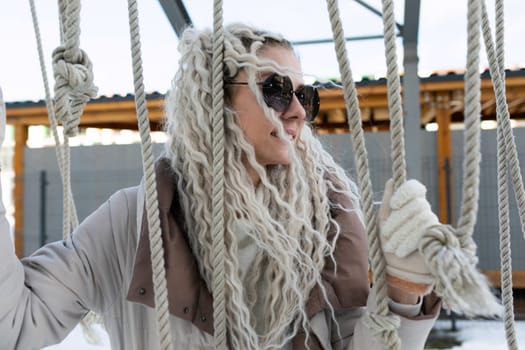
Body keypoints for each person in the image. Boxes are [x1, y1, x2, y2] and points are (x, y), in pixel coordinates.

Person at [0, 23, 441, 350]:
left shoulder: (331, 227)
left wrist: (402, 293)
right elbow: (17, 323)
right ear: (214, 100)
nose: (298, 114)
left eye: (305, 97)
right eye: (276, 90)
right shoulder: (136, 222)